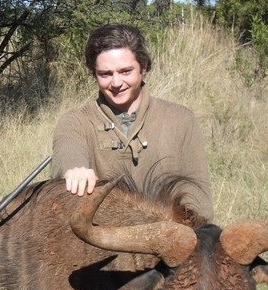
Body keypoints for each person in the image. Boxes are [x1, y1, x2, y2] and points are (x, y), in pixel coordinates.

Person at [51, 24, 213, 222]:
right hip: (103, 242)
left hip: (169, 242)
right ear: (94, 74)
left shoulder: (182, 120)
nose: (116, 82)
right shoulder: (75, 121)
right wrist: (74, 171)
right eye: (105, 74)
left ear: (143, 67)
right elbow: (68, 152)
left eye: (126, 71)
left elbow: (198, 201)